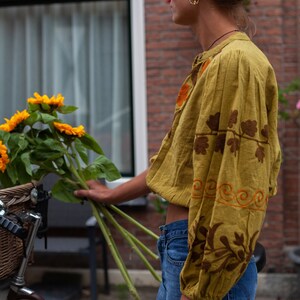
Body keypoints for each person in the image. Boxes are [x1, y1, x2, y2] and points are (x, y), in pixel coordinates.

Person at [74, 0, 281, 299]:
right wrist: (110, 195)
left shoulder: (236, 62)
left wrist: (200, 288)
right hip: (187, 252)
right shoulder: (217, 59)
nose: (167, 0)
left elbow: (238, 184)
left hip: (202, 259)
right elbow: (177, 164)